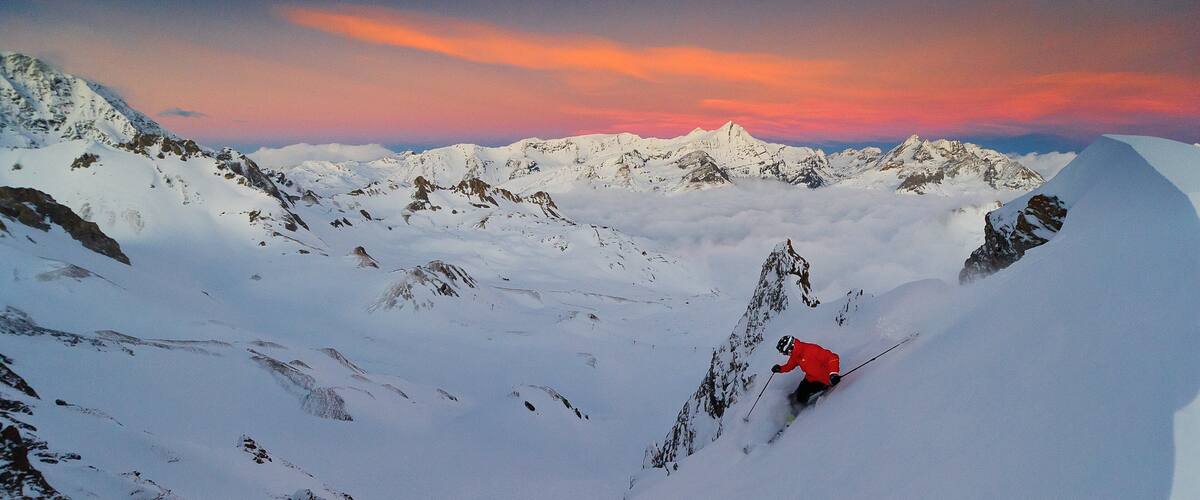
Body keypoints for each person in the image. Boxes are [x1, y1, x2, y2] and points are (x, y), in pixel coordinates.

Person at [771, 335, 841, 413]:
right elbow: (790, 366)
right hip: (810, 378)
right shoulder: (796, 355)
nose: (786, 355)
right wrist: (780, 369)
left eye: (785, 353)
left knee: (801, 397)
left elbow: (832, 357)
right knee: (797, 393)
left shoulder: (812, 350)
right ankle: (794, 400)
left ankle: (795, 413)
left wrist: (834, 374)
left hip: (823, 380)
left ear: (790, 348)